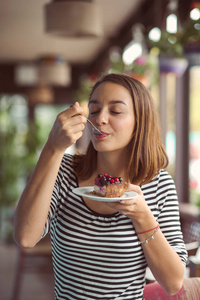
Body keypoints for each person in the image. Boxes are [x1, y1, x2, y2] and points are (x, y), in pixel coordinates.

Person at [14, 73, 188, 300]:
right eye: (94, 110)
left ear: (140, 121)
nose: (100, 119)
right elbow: (26, 237)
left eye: (115, 111)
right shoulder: (64, 170)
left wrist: (143, 217)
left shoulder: (158, 184)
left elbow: (174, 283)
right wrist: (53, 148)